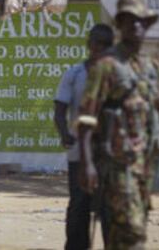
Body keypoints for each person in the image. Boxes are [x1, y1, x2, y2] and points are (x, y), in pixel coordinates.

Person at [77, 0, 159, 249]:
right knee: (133, 230)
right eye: (130, 22)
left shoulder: (151, 68)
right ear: (120, 26)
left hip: (145, 165)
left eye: (142, 22)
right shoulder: (106, 67)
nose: (137, 28)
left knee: (125, 232)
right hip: (118, 165)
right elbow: (87, 119)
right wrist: (87, 164)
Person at [54, 24, 114, 250]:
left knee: (109, 208)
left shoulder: (116, 77)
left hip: (109, 152)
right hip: (79, 151)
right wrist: (64, 134)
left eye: (106, 45)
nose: (101, 49)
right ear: (89, 45)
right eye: (97, 44)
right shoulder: (75, 74)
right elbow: (60, 109)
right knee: (80, 204)